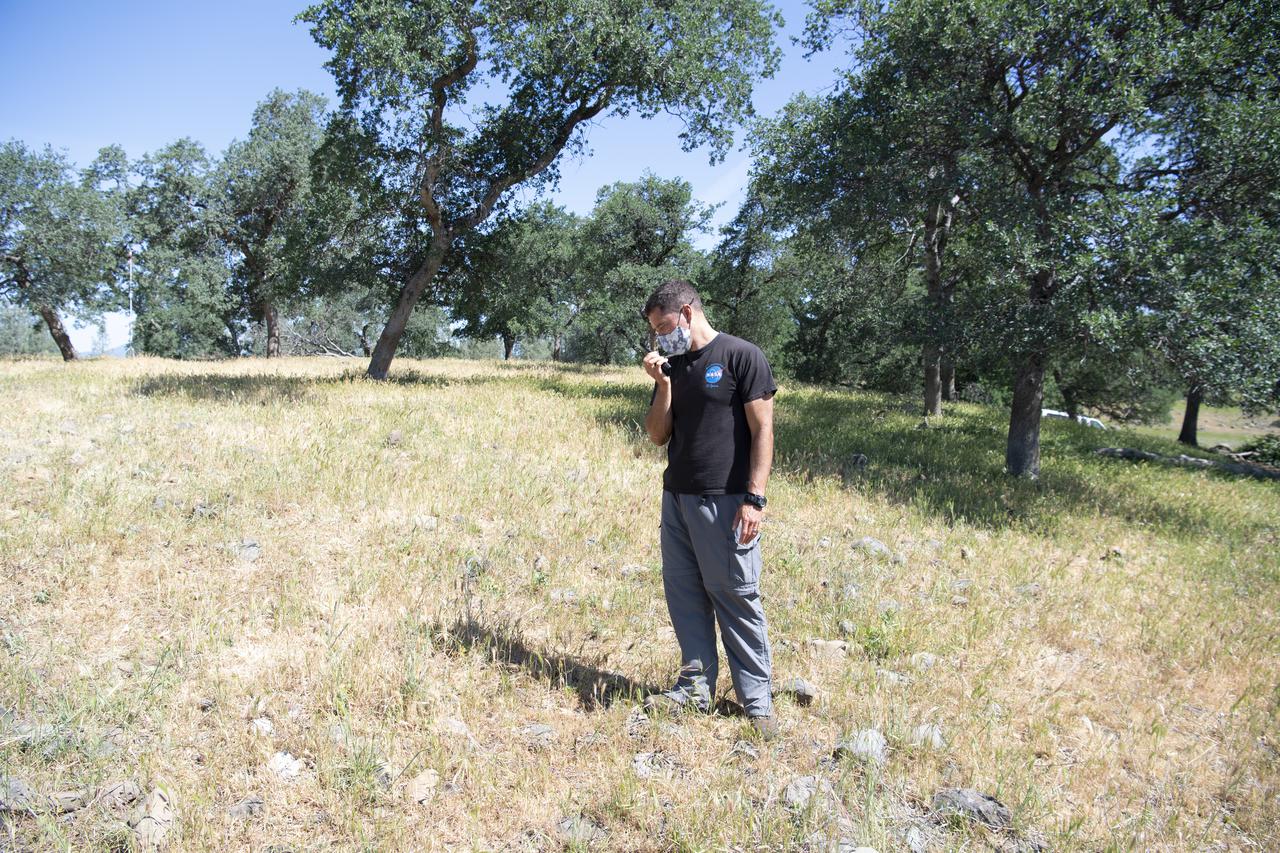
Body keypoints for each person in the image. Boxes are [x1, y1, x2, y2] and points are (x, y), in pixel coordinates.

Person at [639, 279, 779, 741]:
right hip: (677, 498)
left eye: (663, 326)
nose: (660, 338)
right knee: (685, 596)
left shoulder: (741, 355)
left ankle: (757, 704)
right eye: (654, 332)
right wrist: (662, 386)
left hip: (727, 502)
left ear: (687, 311)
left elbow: (763, 432)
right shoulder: (672, 367)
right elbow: (658, 435)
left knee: (736, 596)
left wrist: (754, 498)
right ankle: (695, 688)